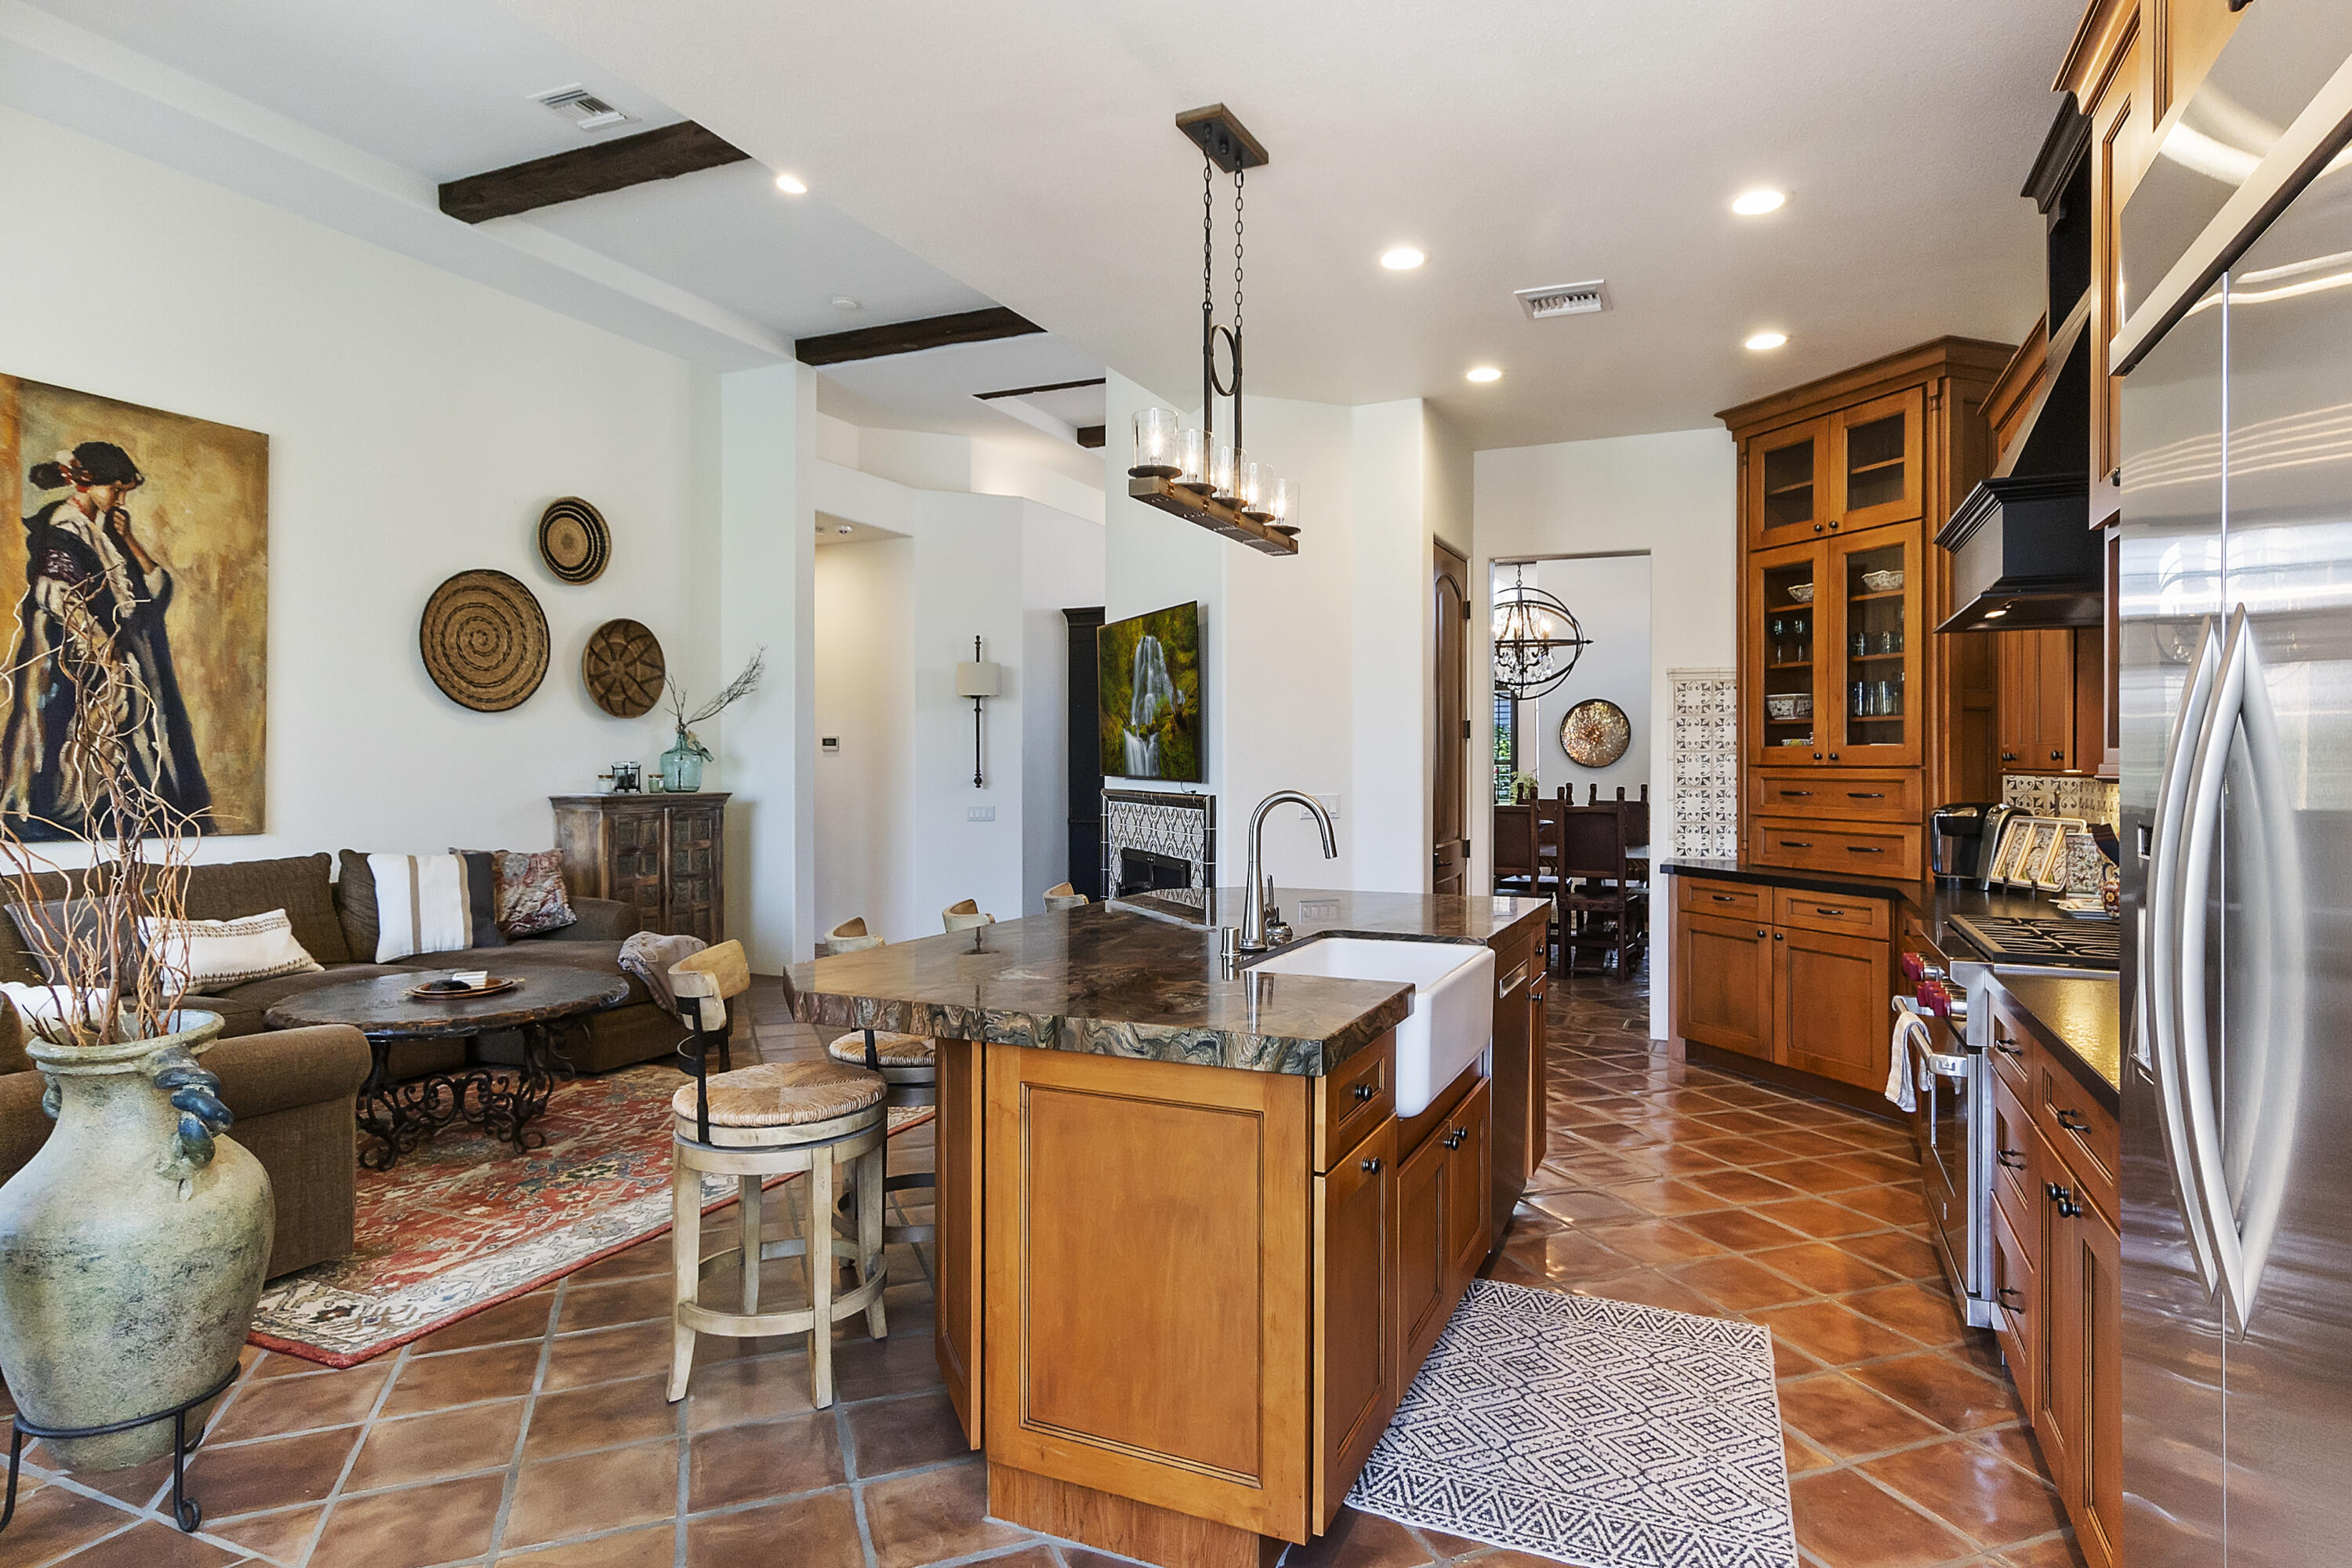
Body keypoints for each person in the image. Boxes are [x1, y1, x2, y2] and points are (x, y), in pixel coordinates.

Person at [1, 441, 213, 838]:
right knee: (78, 754)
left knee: (139, 749)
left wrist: (130, 540)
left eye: (123, 491)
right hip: (79, 665)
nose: (119, 498)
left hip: (126, 662)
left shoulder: (107, 531)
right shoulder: (65, 528)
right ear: (86, 483)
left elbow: (154, 595)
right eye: (114, 489)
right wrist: (100, 645)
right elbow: (55, 595)